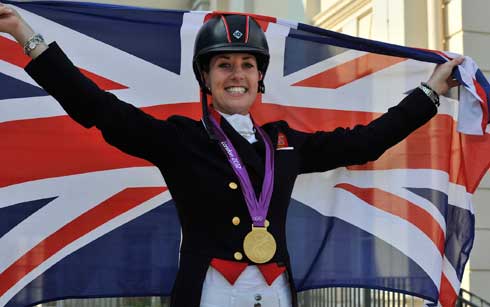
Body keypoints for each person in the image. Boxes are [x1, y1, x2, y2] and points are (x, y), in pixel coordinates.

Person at [0, 3, 463, 307]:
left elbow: (366, 141)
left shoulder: (286, 143)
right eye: (224, 64)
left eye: (247, 64)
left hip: (277, 296)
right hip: (206, 295)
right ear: (206, 78)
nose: (236, 74)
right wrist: (27, 37)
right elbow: (96, 107)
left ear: (260, 78)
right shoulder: (179, 139)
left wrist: (428, 93)